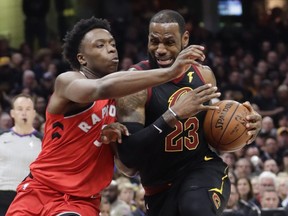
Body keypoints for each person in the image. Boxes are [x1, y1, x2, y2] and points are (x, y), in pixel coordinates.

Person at [6, 16, 205, 216]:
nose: (111, 49)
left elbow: (127, 168)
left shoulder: (122, 100)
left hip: (80, 202)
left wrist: (113, 142)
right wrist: (170, 72)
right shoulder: (67, 82)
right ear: (82, 58)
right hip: (40, 190)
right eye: (100, 45)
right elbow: (100, 88)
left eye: (112, 44)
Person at [106, 10, 262, 216]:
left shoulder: (203, 74)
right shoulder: (134, 84)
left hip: (203, 170)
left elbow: (218, 133)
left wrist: (248, 128)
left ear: (185, 39)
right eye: (154, 41)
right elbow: (129, 158)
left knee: (194, 207)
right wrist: (172, 115)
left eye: (169, 42)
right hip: (159, 189)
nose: (160, 49)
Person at [0, 93, 42, 215]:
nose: (24, 113)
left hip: (28, 199)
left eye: (28, 109)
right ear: (12, 113)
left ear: (34, 113)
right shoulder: (1, 137)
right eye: (19, 109)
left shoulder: (44, 142)